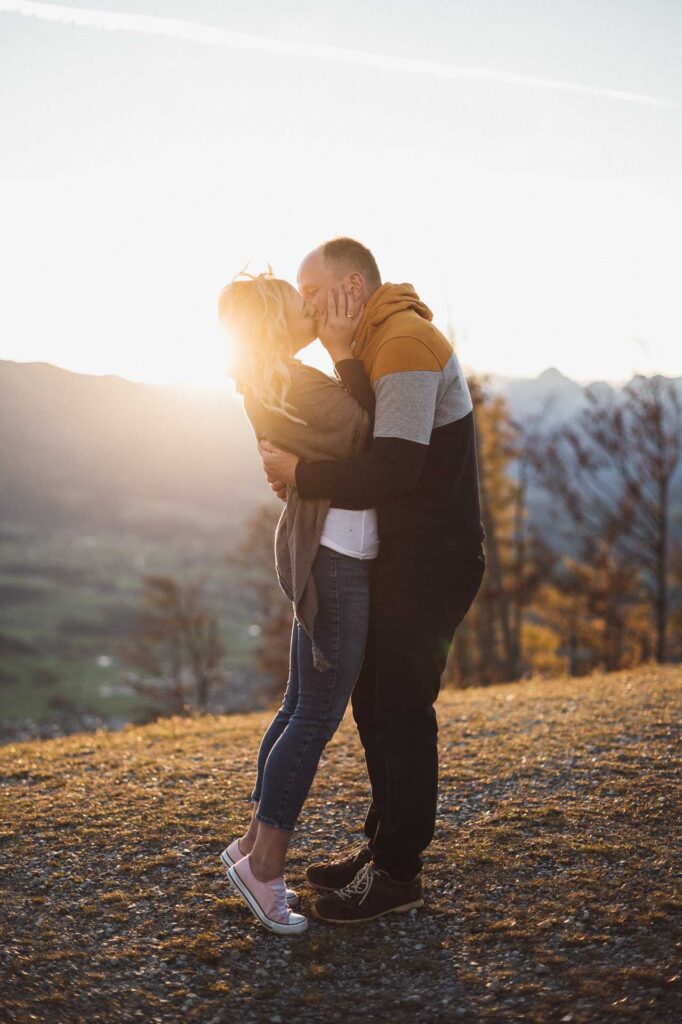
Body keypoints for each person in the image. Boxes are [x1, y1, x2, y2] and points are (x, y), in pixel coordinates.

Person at [259, 238, 486, 925]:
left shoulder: (407, 342)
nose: (303, 309)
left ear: (351, 290)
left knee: (403, 713)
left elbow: (393, 467)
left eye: (311, 292)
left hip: (434, 563)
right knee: (372, 707)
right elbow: (364, 432)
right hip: (401, 559)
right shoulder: (377, 342)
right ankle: (382, 848)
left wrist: (303, 476)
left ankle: (398, 877)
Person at [217, 271, 384, 935]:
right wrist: (343, 346)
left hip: (317, 549)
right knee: (315, 715)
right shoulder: (303, 381)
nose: (311, 312)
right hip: (337, 557)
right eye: (299, 307)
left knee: (296, 706)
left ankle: (252, 846)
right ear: (277, 326)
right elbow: (374, 432)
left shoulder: (268, 381)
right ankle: (265, 867)